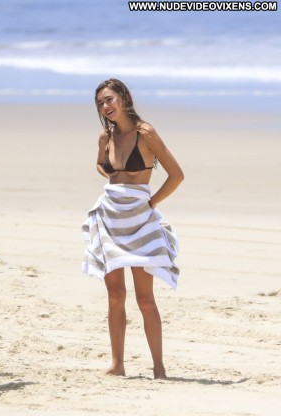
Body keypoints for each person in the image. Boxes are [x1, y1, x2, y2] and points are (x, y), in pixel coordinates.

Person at [81, 78, 184, 379]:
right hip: (110, 217)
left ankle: (159, 368)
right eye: (100, 102)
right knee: (115, 295)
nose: (105, 106)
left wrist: (151, 202)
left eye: (109, 99)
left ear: (124, 98)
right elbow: (100, 164)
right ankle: (117, 365)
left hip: (140, 220)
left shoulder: (145, 133)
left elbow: (176, 175)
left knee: (145, 299)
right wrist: (113, 180)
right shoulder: (106, 136)